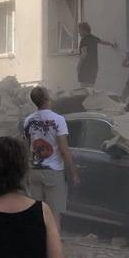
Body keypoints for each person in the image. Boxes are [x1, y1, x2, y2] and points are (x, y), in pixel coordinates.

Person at [22, 86, 79, 220]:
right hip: (54, 173)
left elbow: (26, 149)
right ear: (48, 98)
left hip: (34, 172)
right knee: (54, 216)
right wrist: (73, 174)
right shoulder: (58, 120)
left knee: (37, 215)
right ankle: (53, 235)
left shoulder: (28, 120)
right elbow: (64, 150)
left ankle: (38, 234)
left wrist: (26, 172)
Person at [76, 22, 117, 88]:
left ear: (84, 30)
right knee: (91, 88)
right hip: (94, 67)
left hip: (85, 68)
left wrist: (79, 66)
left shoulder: (84, 40)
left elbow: (84, 54)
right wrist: (112, 44)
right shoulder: (93, 38)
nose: (78, 32)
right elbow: (103, 42)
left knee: (84, 89)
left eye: (79, 30)